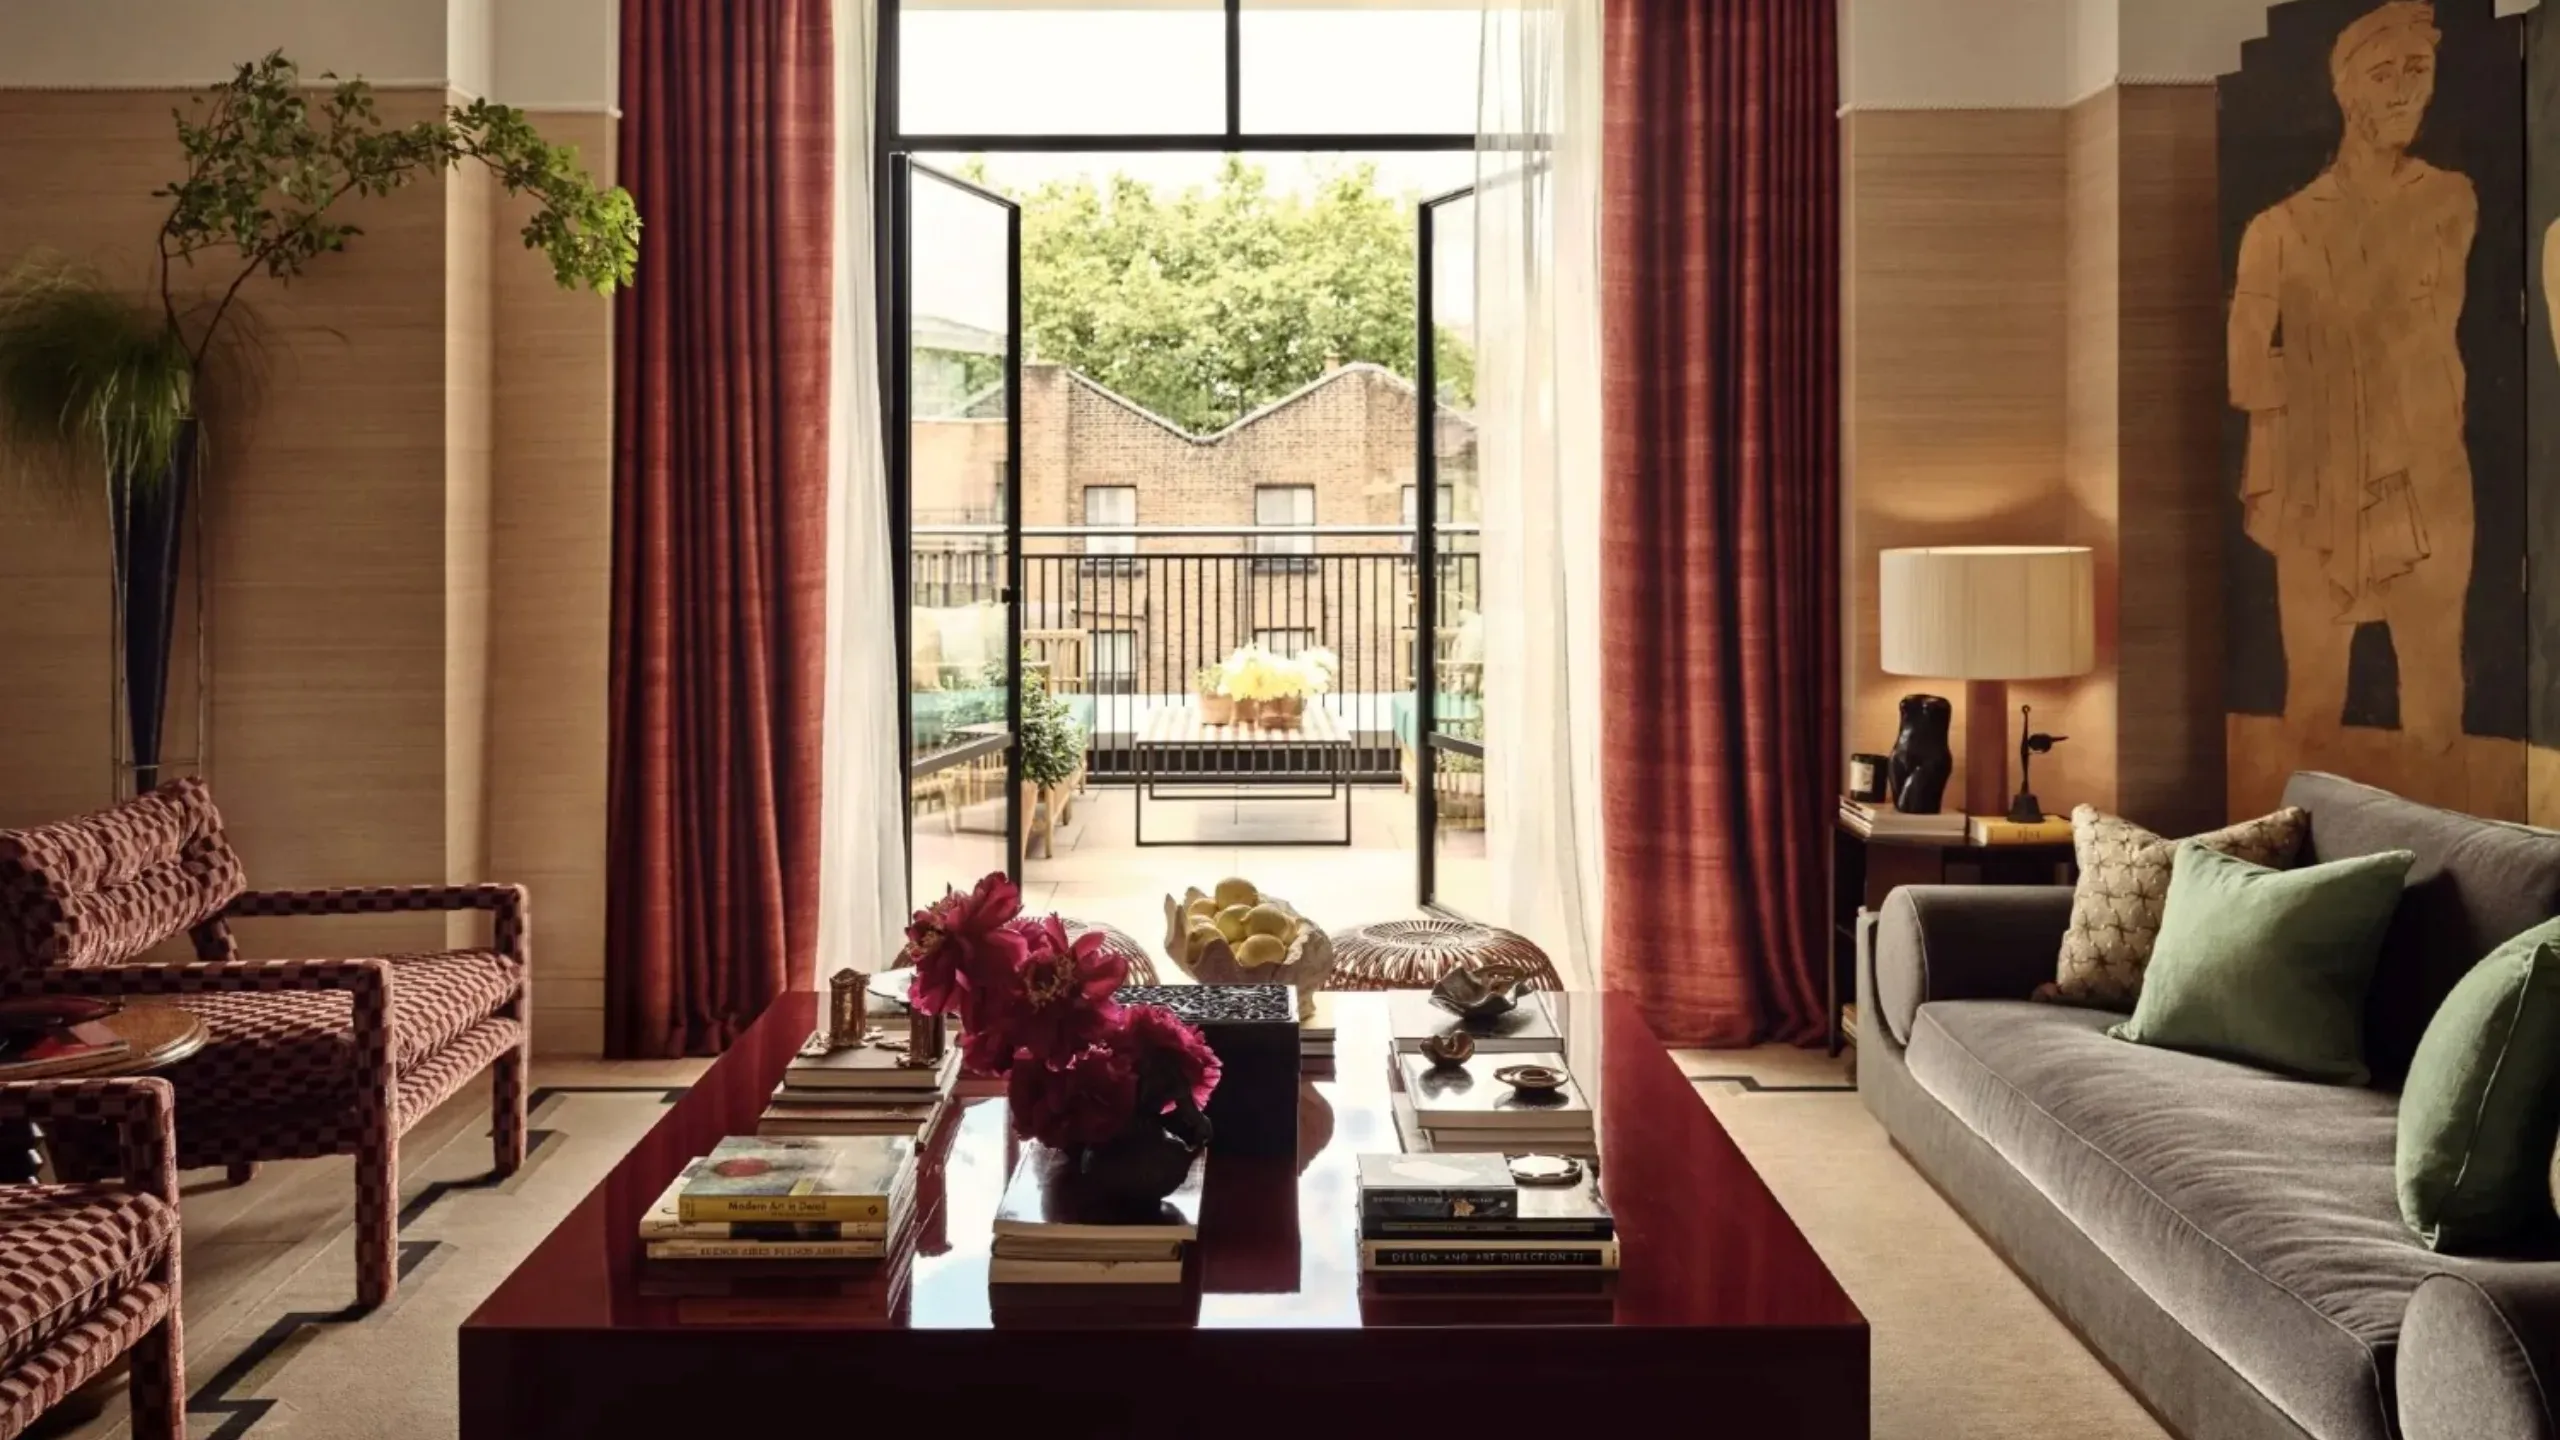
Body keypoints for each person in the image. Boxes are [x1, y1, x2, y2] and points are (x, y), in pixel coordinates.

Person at [2228, 0, 2476, 754]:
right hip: (2317, 482)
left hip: (2425, 476)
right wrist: (2323, 391)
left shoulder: (2448, 201)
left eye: (2418, 70)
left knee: (2436, 693)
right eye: (2383, 74)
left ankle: (2459, 867)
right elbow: (2243, 371)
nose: (2405, 90)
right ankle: (2296, 863)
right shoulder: (2278, 230)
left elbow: (2425, 331)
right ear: (2346, 90)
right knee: (2313, 696)